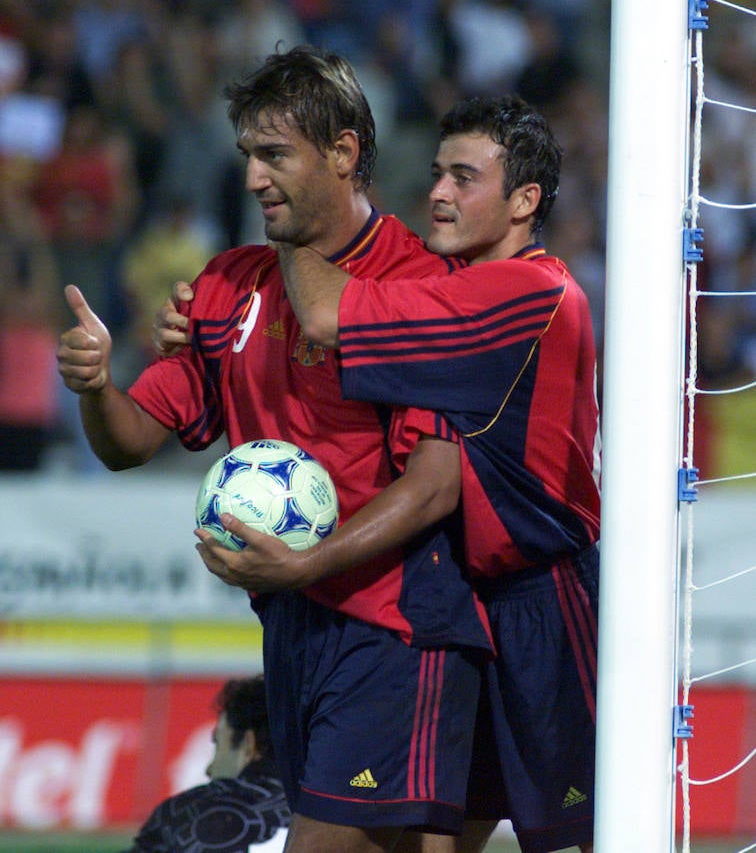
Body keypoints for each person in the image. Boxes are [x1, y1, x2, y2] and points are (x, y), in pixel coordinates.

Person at [57, 45, 493, 853]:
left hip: (398, 630)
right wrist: (94, 386)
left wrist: (306, 564)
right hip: (294, 630)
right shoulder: (227, 286)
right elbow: (132, 441)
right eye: (247, 155)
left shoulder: (421, 286)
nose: (254, 177)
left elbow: (436, 485)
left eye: (274, 154)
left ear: (343, 153)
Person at [160, 95, 601, 853]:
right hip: (467, 603)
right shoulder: (445, 289)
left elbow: (330, 315)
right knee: (434, 838)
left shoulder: (529, 291)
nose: (437, 193)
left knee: (578, 836)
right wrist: (210, 311)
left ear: (525, 200)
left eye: (465, 178)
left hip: (544, 604)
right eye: (436, 174)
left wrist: (294, 215)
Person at [123, 675, 290, 852]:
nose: (209, 769)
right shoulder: (317, 816)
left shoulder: (183, 815)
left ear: (248, 744)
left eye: (218, 744)